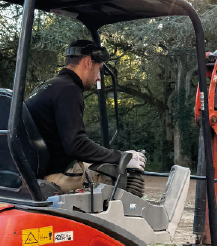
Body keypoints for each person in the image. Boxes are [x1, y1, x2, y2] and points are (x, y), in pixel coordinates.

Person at [26, 39, 145, 193]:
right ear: (88, 62)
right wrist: (121, 157)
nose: (99, 78)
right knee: (121, 176)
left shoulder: (47, 87)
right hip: (56, 175)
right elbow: (76, 145)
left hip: (34, 171)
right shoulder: (69, 90)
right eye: (99, 69)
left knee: (101, 166)